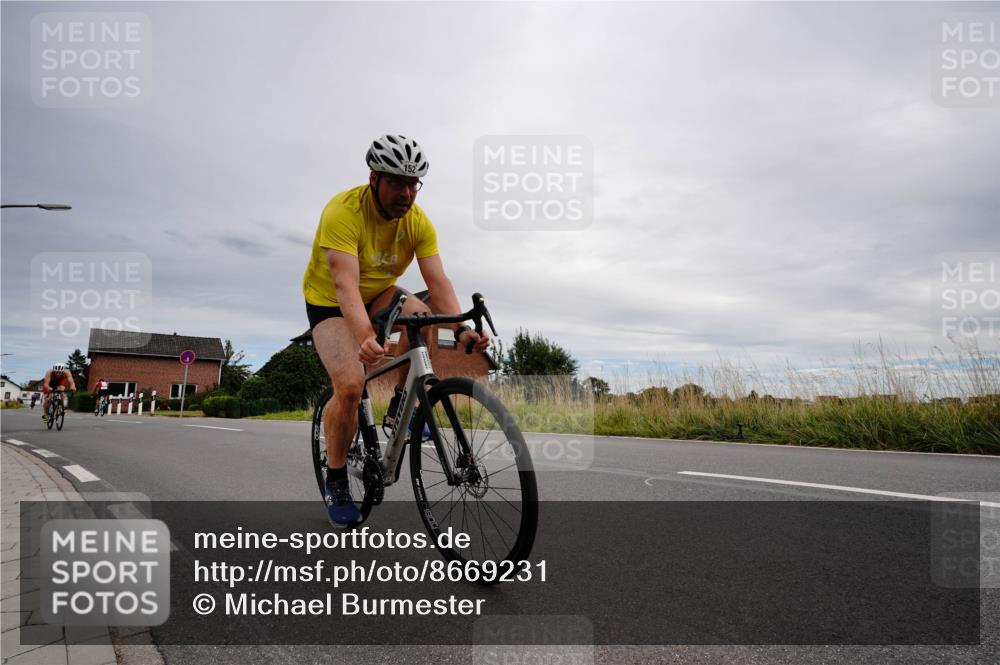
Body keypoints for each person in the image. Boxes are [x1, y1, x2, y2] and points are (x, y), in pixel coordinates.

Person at [302, 134, 490, 527]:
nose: (406, 193)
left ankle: (400, 408)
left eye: (413, 184)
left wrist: (460, 330)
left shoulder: (418, 222)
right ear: (374, 178)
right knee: (350, 386)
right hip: (330, 303)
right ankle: (336, 479)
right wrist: (364, 337)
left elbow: (437, 281)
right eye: (397, 183)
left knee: (422, 317)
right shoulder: (343, 212)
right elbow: (344, 285)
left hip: (380, 294)